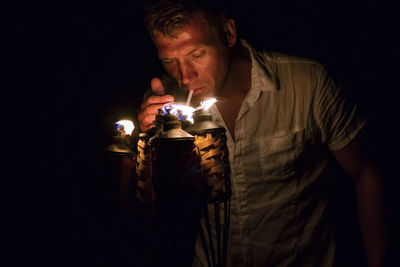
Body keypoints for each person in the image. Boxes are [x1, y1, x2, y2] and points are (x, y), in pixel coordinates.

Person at [137, 0, 387, 266]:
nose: (184, 77)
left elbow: (366, 174)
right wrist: (148, 143)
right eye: (168, 61)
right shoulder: (164, 105)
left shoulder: (306, 84)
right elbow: (155, 211)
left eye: (197, 54)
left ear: (229, 34)